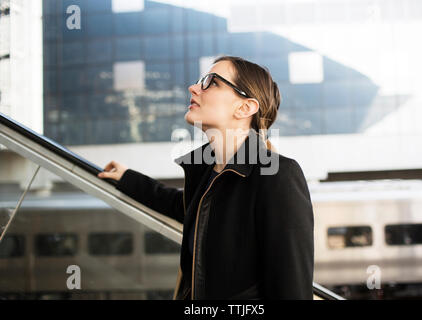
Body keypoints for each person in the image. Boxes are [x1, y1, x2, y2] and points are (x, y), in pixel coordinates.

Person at [98, 56, 314, 300]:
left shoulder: (277, 175)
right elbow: (188, 208)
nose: (193, 88)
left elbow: (292, 289)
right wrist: (128, 178)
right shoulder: (207, 172)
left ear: (245, 107)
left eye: (211, 82)